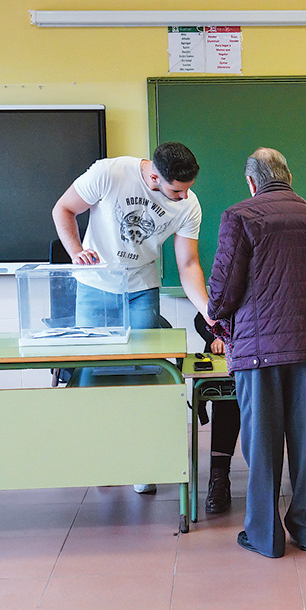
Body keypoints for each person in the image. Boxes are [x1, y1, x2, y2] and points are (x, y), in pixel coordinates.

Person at [52, 141, 212, 494]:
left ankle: (143, 461)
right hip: (95, 286)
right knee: (95, 378)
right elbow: (63, 209)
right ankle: (105, 460)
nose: (185, 197)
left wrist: (207, 311)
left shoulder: (189, 205)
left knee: (144, 376)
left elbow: (188, 264)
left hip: (142, 287)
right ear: (154, 176)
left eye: (188, 189)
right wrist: (76, 252)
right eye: (176, 190)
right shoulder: (109, 173)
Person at [207, 148, 306, 558]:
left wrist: (217, 315)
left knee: (262, 445)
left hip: (259, 349)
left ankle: (265, 537)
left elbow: (223, 290)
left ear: (251, 182)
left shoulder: (239, 216)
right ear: (289, 177)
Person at [193, 312, 241, 514]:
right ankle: (219, 476)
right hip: (228, 358)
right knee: (226, 394)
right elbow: (200, 317)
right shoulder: (227, 283)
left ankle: (279, 477)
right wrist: (217, 336)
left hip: (267, 351)